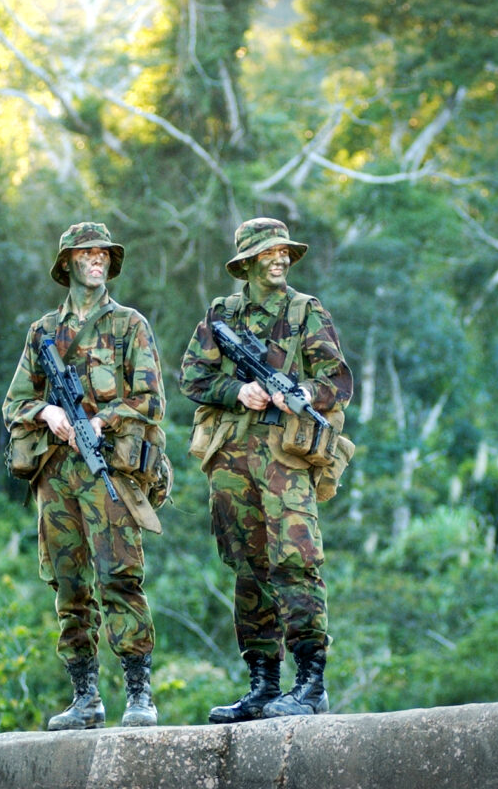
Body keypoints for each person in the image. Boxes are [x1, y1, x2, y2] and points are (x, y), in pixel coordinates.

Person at [179, 217, 353, 722]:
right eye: (269, 252)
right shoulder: (222, 314)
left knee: (296, 561)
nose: (280, 259)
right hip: (232, 459)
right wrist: (239, 391)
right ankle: (263, 686)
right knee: (248, 568)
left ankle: (310, 685)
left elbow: (337, 381)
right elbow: (193, 377)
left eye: (284, 252)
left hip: (285, 459)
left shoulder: (305, 312)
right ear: (248, 262)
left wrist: (297, 392)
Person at [2, 221, 165, 730]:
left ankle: (138, 694)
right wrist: (47, 412)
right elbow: (14, 403)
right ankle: (85, 698)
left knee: (119, 577)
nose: (97, 259)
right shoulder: (43, 332)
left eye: (103, 253)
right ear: (67, 263)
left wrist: (101, 419)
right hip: (56, 475)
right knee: (69, 585)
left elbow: (151, 401)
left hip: (108, 469)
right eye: (86, 252)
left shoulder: (129, 325)